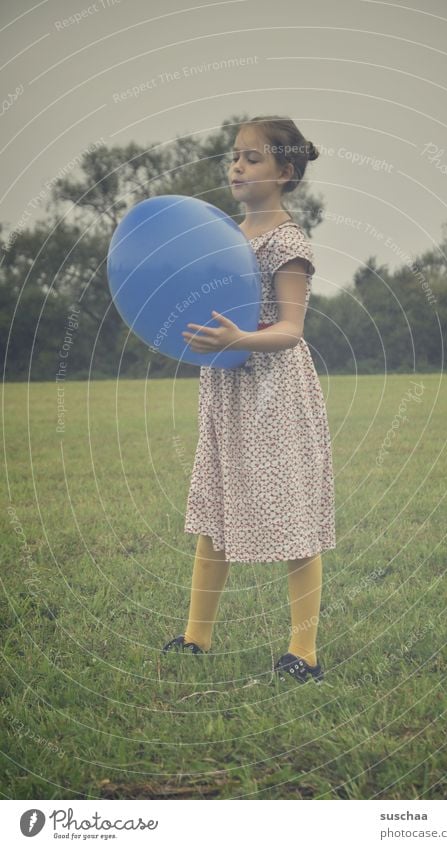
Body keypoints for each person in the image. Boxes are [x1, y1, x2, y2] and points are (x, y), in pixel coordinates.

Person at [162, 115, 336, 684]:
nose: (236, 166)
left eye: (252, 158)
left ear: (285, 172)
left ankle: (303, 653)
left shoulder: (287, 242)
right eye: (234, 156)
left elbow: (291, 328)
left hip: (274, 390)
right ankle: (195, 637)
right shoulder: (224, 235)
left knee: (292, 514)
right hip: (227, 387)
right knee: (216, 507)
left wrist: (240, 339)